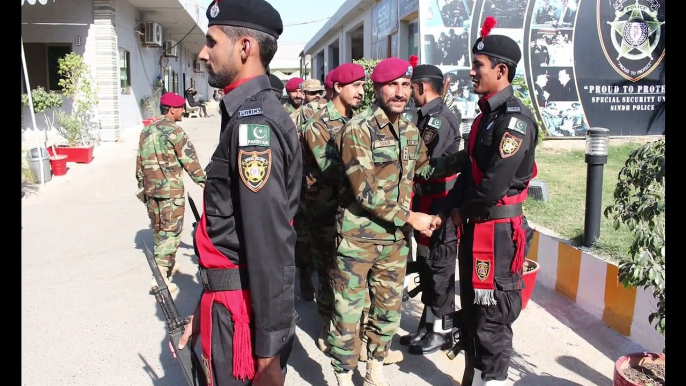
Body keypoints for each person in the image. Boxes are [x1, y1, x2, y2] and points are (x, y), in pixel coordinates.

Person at [175, 1, 302, 385]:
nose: (202, 53)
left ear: (244, 47)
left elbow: (268, 245)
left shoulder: (254, 125)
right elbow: (231, 232)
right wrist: (204, 305)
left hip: (242, 315)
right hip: (228, 304)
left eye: (211, 42)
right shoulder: (242, 112)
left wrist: (267, 355)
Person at [328, 57, 468, 386]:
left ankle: (374, 368)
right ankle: (343, 375)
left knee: (387, 312)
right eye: (392, 85)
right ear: (377, 89)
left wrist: (469, 155)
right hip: (358, 240)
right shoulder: (357, 130)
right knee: (347, 314)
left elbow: (424, 169)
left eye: (405, 85)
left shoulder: (408, 130)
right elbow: (364, 191)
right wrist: (412, 217)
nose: (400, 92)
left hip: (393, 243)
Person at [446, 17, 538, 386]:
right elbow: (470, 172)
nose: (471, 72)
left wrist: (458, 209)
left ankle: (494, 378)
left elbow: (492, 187)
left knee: (492, 314)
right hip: (475, 224)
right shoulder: (486, 116)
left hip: (497, 232)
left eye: (478, 66)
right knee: (472, 307)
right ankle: (478, 374)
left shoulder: (513, 121)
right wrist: (453, 206)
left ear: (501, 71)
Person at [300, 62, 365, 354]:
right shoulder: (318, 124)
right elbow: (333, 171)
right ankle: (327, 323)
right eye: (356, 86)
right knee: (327, 270)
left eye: (364, 85)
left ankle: (352, 327)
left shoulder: (359, 121)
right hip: (325, 209)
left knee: (352, 271)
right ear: (337, 88)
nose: (362, 92)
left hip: (355, 211)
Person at [401, 64, 462, 355]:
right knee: (427, 268)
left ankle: (442, 331)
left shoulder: (439, 120)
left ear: (422, 87)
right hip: (425, 202)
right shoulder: (427, 117)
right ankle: (427, 326)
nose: (409, 94)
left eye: (411, 87)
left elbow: (422, 162)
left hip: (440, 205)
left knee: (439, 270)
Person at [135, 92, 207, 296]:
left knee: (159, 230)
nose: (183, 111)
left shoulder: (146, 131)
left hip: (151, 190)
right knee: (171, 232)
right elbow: (190, 161)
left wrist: (142, 185)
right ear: (172, 110)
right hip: (170, 192)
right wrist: (205, 183)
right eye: (181, 108)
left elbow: (139, 161)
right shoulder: (175, 132)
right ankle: (160, 278)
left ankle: (168, 263)